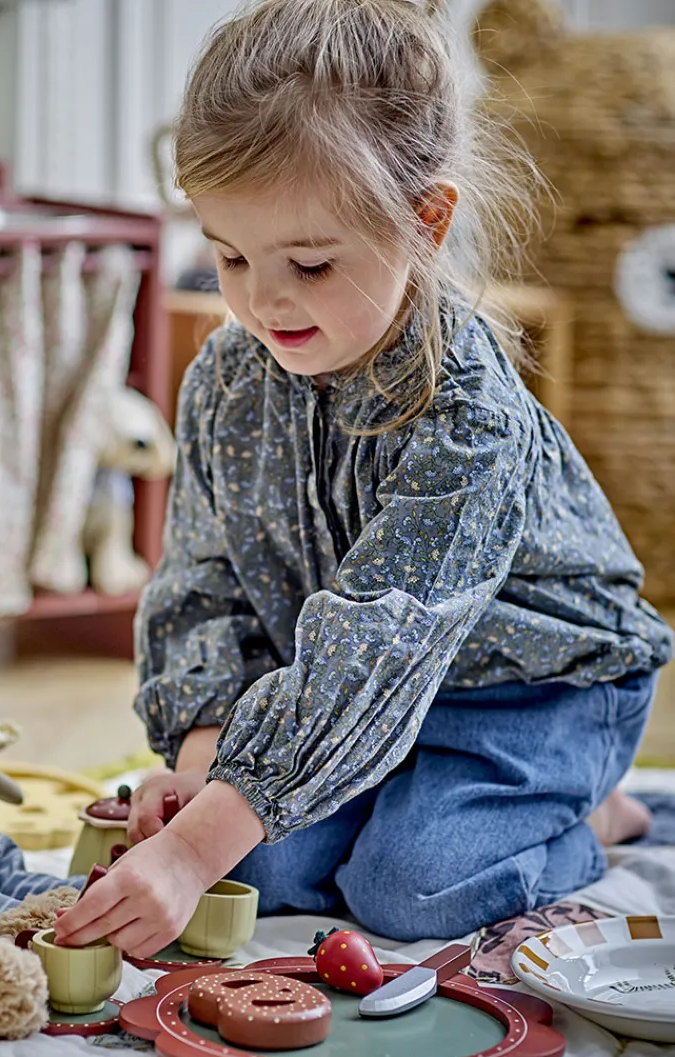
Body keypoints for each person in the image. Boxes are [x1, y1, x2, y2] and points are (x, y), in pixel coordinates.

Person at [54, 0, 672, 953]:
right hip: (356, 692)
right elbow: (200, 582)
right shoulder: (226, 377)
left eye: (308, 262)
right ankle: (344, 787)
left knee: (409, 893)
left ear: (425, 222)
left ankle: (598, 818)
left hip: (536, 688)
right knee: (267, 870)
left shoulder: (467, 415)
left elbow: (377, 644)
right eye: (228, 255)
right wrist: (203, 745)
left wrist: (187, 853)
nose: (263, 298)